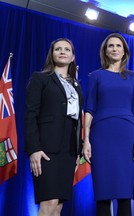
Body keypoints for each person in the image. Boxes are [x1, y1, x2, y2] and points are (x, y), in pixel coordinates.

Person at [82, 33, 134, 216]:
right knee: (103, 192)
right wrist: (86, 140)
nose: (115, 49)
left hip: (126, 135)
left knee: (125, 194)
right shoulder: (96, 76)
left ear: (124, 51)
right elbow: (89, 109)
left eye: (118, 46)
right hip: (101, 136)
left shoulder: (133, 77)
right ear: (105, 51)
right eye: (111, 46)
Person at [24, 38, 83, 216]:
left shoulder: (77, 85)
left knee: (58, 206)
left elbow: (77, 120)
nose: (62, 51)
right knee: (48, 203)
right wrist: (34, 148)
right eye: (58, 49)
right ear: (52, 54)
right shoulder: (40, 78)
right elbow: (30, 115)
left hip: (69, 151)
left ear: (73, 57)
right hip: (46, 150)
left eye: (67, 49)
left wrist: (78, 152)